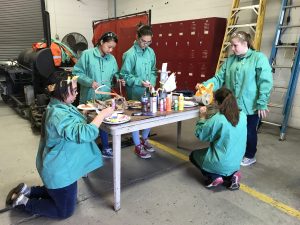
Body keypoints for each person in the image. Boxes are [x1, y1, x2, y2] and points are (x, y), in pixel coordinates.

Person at [5, 72, 114, 219]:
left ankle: (29, 191)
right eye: (74, 90)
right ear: (61, 91)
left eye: (77, 90)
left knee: (61, 193)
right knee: (65, 211)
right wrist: (102, 115)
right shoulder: (57, 115)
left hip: (63, 168)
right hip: (60, 170)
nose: (76, 93)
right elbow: (85, 133)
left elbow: (74, 122)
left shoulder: (61, 105)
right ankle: (24, 202)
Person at [196, 31, 273, 166]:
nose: (232, 48)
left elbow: (265, 82)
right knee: (233, 130)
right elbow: (219, 78)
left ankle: (250, 155)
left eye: (235, 45)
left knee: (249, 131)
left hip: (250, 105)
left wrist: (262, 103)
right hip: (232, 105)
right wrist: (205, 86)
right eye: (231, 45)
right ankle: (235, 152)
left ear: (245, 44)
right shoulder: (230, 60)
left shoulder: (258, 58)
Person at [73, 31, 124, 158]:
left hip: (105, 98)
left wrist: (118, 79)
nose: (111, 50)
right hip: (89, 98)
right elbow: (77, 73)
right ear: (101, 42)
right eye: (109, 46)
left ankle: (106, 147)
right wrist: (90, 82)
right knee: (87, 125)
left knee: (104, 123)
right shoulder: (87, 55)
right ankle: (85, 152)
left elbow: (115, 75)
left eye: (113, 48)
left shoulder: (111, 59)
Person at [190, 88, 247, 190]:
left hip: (221, 162)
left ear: (217, 102)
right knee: (226, 161)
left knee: (193, 155)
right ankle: (233, 175)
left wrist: (202, 117)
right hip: (236, 161)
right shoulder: (243, 116)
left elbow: (200, 134)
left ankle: (214, 177)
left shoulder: (218, 119)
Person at [120, 24, 157, 159]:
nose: (145, 45)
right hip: (135, 92)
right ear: (137, 37)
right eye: (143, 41)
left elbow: (153, 70)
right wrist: (139, 81)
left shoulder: (151, 52)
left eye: (148, 42)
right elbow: (124, 75)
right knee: (136, 119)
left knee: (150, 115)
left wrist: (152, 82)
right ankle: (137, 146)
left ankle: (144, 139)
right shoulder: (129, 54)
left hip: (148, 91)